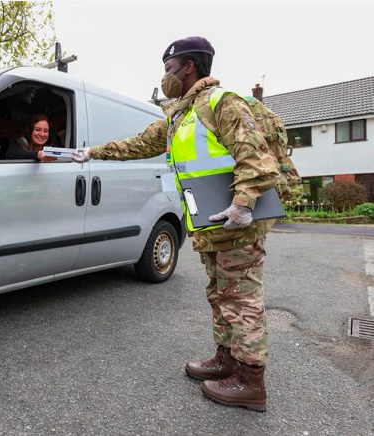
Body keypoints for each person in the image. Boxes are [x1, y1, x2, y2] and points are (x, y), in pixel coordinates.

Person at [72, 36, 279, 412]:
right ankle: (226, 360)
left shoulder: (223, 102)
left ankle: (252, 382)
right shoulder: (179, 115)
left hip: (236, 223)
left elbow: (257, 159)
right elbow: (136, 144)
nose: (165, 76)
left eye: (169, 68)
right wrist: (91, 152)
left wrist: (243, 204)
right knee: (220, 295)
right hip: (210, 225)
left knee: (243, 299)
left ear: (190, 67)